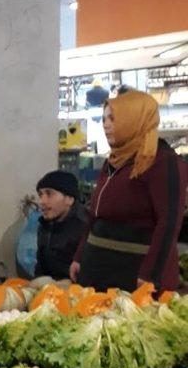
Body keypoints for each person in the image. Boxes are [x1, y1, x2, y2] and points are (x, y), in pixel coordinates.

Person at [70, 90, 188, 293]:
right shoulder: (114, 160)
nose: (105, 124)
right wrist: (80, 256)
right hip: (97, 271)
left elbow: (169, 221)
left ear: (135, 119)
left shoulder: (162, 161)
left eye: (113, 118)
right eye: (104, 118)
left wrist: (150, 275)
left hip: (135, 275)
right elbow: (95, 216)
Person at [34, 170, 88, 280]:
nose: (42, 201)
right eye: (40, 195)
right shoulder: (45, 226)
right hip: (50, 293)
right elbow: (41, 268)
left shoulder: (85, 228)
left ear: (69, 199)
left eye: (49, 194)